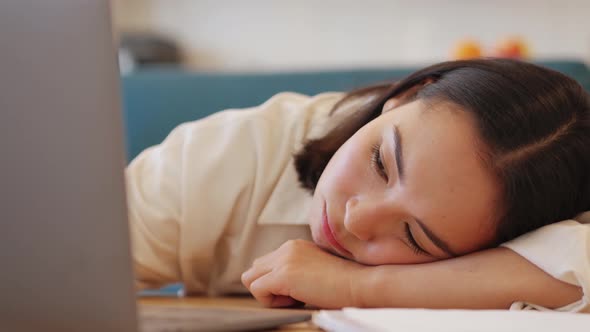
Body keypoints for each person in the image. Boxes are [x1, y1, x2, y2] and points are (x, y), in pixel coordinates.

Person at [127, 59, 590, 312]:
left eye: (414, 236)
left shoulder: (550, 197)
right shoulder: (225, 156)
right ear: (406, 97)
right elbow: (62, 272)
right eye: (381, 163)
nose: (356, 218)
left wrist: (359, 286)